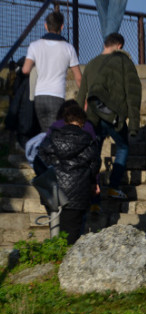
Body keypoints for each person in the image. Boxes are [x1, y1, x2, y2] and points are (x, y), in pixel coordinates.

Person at [75, 32, 142, 200]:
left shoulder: (90, 64)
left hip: (93, 116)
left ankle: (94, 193)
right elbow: (132, 92)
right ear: (119, 46)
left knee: (94, 153)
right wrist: (133, 123)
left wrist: (76, 121)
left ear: (105, 44)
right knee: (123, 147)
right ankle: (113, 186)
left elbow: (81, 94)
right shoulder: (122, 62)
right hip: (114, 116)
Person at [35, 101, 100, 244]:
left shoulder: (52, 138)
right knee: (72, 232)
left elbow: (38, 159)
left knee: (56, 228)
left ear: (65, 120)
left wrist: (48, 175)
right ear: (82, 123)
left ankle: (55, 258)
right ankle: (66, 262)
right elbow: (94, 165)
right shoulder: (88, 141)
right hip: (78, 192)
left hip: (53, 190)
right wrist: (93, 182)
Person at [21, 11, 81, 132]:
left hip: (39, 96)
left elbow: (25, 69)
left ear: (45, 25)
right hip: (57, 95)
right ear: (62, 26)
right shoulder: (68, 48)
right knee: (55, 133)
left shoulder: (35, 45)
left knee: (44, 133)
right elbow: (78, 77)